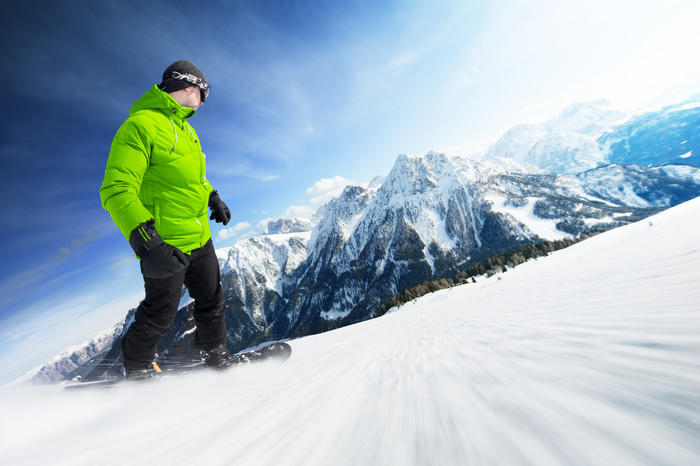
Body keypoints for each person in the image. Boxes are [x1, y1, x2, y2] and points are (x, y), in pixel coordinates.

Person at [100, 60, 234, 379]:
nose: (203, 101)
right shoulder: (140, 126)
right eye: (203, 93)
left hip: (199, 235)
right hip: (165, 244)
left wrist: (212, 197)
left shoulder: (187, 131)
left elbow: (191, 179)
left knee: (212, 300)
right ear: (188, 86)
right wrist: (147, 243)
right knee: (160, 313)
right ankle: (136, 369)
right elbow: (117, 189)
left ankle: (216, 355)